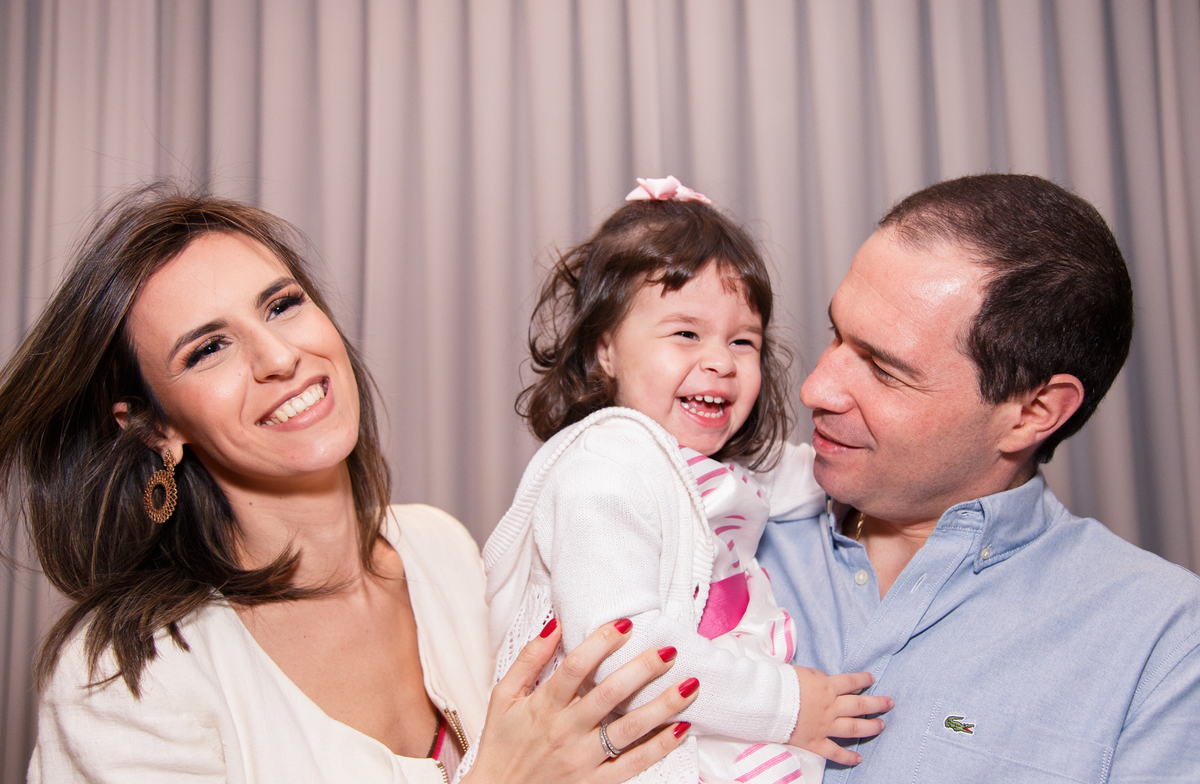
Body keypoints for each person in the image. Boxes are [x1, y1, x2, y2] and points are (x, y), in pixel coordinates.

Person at [0, 184, 701, 783]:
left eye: (281, 305)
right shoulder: (126, 674)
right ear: (155, 427)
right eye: (210, 348)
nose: (280, 357)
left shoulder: (443, 551)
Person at [757, 173, 1200, 782]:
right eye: (838, 333)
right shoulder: (710, 526)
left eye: (886, 371)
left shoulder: (1167, 644)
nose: (815, 389)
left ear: (1032, 413)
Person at [485, 177, 893, 784]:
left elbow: (837, 473)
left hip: (714, 728)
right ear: (605, 350)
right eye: (685, 333)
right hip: (632, 750)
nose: (720, 361)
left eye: (742, 340)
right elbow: (626, 656)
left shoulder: (731, 466)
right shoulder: (601, 471)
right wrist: (788, 705)